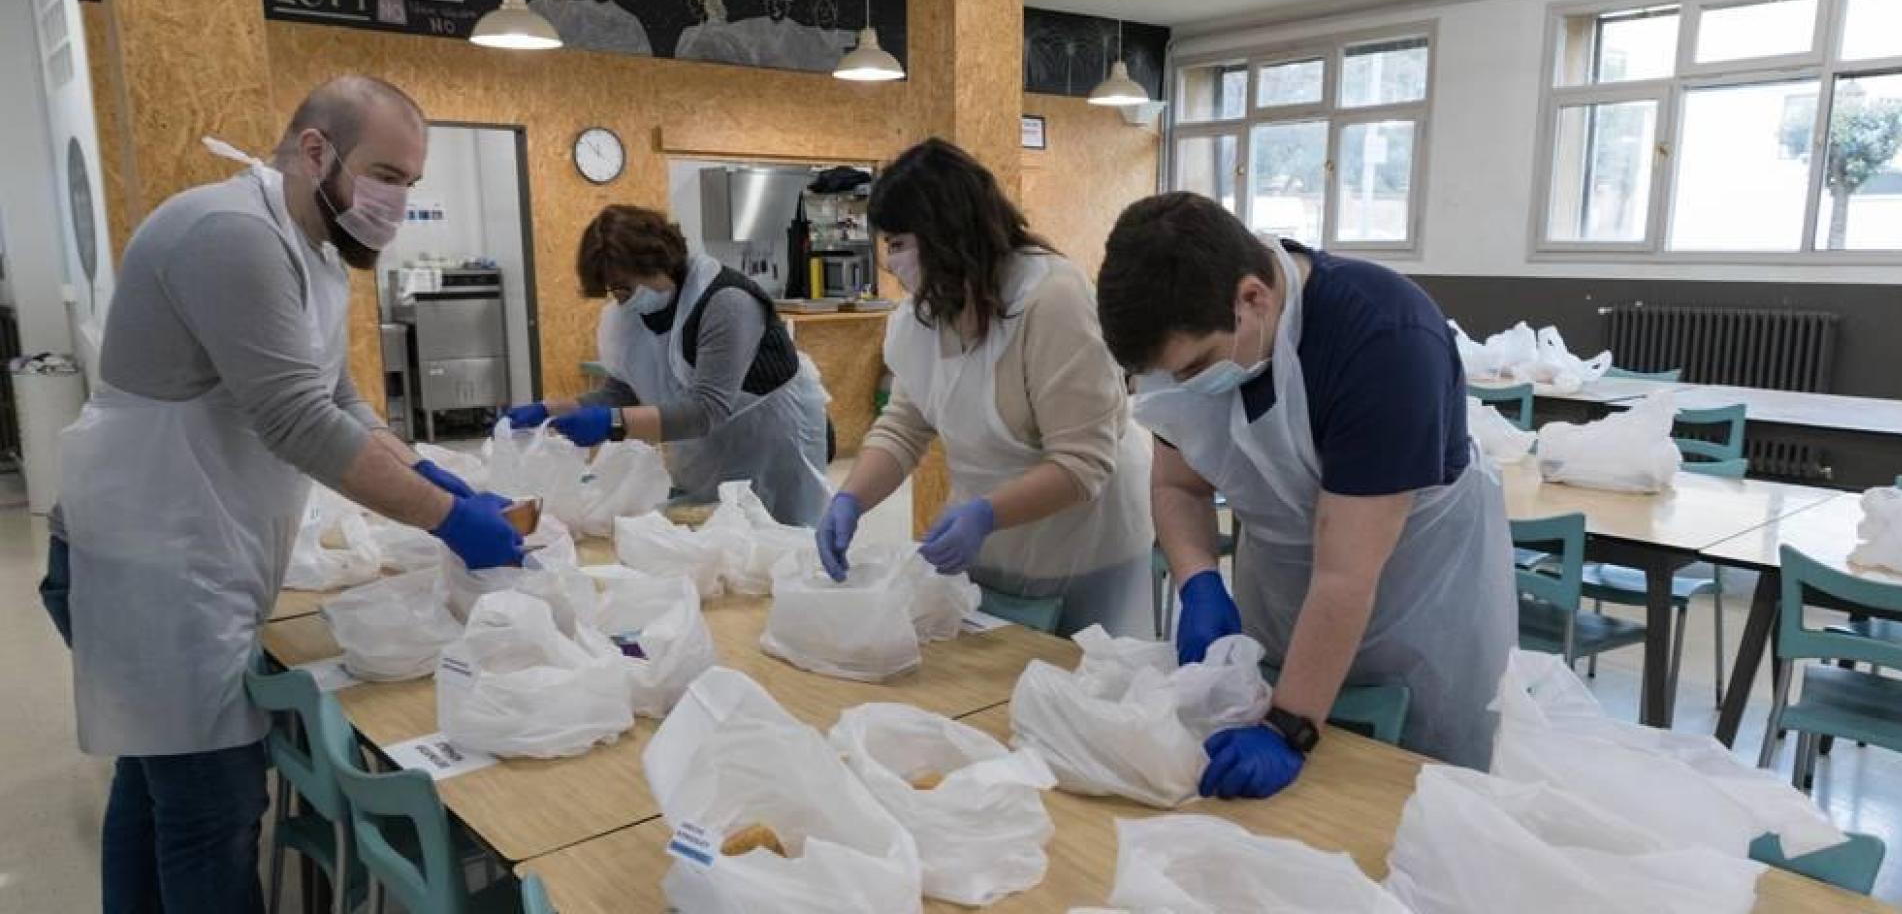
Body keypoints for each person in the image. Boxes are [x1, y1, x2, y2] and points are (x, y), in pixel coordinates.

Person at [48, 76, 525, 913]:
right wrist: (453, 521)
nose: (398, 200)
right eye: (387, 174)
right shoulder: (231, 235)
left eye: (411, 183)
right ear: (315, 150)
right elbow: (298, 421)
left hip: (191, 548)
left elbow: (338, 398)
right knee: (212, 810)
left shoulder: (311, 250)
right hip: (152, 562)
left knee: (155, 784)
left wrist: (428, 472)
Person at [1096, 193, 1515, 799]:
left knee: (1402, 802)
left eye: (1194, 369)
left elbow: (1347, 574)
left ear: (1252, 298)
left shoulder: (1384, 337)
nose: (1184, 386)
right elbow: (1176, 483)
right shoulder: (1196, 333)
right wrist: (1199, 582)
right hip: (1289, 590)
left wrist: (1290, 726)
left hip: (1417, 600)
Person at [816, 139, 1155, 636]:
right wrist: (851, 498)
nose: (892, 262)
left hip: (1083, 543)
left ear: (948, 235)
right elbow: (906, 426)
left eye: (900, 244)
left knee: (1078, 692)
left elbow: (1083, 462)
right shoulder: (927, 311)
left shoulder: (1051, 300)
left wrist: (986, 514)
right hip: (994, 542)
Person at [503, 206, 831, 526]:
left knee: (776, 545)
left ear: (658, 262)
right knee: (716, 548)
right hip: (705, 447)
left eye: (624, 285)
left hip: (772, 444)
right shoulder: (630, 313)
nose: (619, 297)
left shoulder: (727, 302)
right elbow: (623, 390)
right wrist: (552, 412)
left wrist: (612, 424)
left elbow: (706, 409)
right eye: (612, 289)